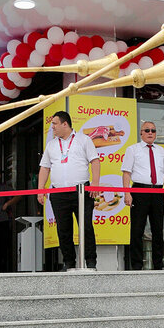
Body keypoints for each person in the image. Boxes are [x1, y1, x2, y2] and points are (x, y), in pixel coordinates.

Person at [37, 111, 100, 271]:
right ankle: (69, 263)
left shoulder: (84, 139)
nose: (52, 127)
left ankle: (91, 262)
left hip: (81, 191)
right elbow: (45, 167)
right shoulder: (51, 144)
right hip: (58, 193)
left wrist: (95, 183)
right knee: (63, 230)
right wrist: (40, 189)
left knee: (86, 227)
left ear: (65, 124)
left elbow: (95, 161)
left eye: (55, 124)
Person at [122, 121, 164, 270]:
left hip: (157, 191)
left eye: (153, 130)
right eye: (147, 130)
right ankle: (137, 265)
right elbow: (126, 173)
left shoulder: (161, 151)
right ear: (141, 133)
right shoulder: (133, 149)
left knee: (158, 230)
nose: (150, 133)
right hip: (140, 191)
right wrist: (127, 193)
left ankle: (158, 265)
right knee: (137, 229)